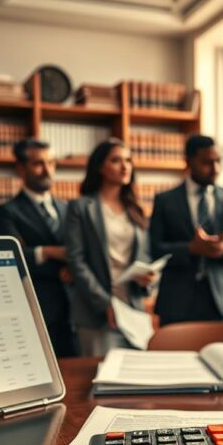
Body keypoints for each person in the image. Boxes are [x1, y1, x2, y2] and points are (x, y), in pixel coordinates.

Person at [64, 139, 157, 357]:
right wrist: (105, 303)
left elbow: (145, 256)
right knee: (99, 382)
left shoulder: (136, 210)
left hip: (133, 311)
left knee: (137, 382)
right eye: (116, 160)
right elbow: (76, 261)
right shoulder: (80, 208)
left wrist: (147, 279)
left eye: (128, 160)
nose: (125, 167)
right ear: (99, 167)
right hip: (96, 314)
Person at [149, 134, 223, 326]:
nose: (215, 169)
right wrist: (190, 249)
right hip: (176, 303)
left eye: (218, 161)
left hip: (222, 303)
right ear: (188, 162)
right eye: (207, 162)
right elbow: (154, 249)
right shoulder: (164, 201)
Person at [0, 138, 78, 357]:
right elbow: (11, 259)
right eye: (38, 164)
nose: (47, 170)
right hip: (38, 308)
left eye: (51, 163)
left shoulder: (68, 207)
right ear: (20, 168)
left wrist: (71, 267)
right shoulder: (7, 211)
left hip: (76, 310)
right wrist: (50, 252)